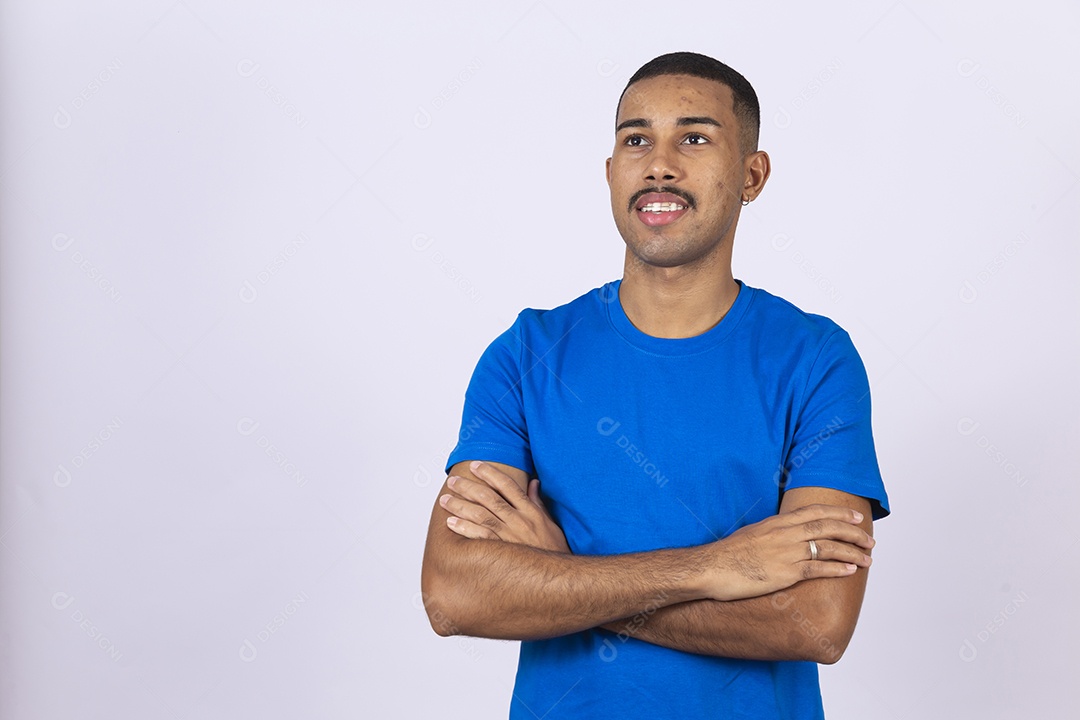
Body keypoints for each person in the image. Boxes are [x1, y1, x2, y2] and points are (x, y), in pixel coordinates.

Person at [420, 51, 890, 719]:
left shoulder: (815, 360)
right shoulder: (527, 355)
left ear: (752, 175)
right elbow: (454, 595)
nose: (659, 162)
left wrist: (561, 576)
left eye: (694, 138)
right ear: (611, 172)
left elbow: (816, 621)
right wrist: (712, 569)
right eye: (636, 138)